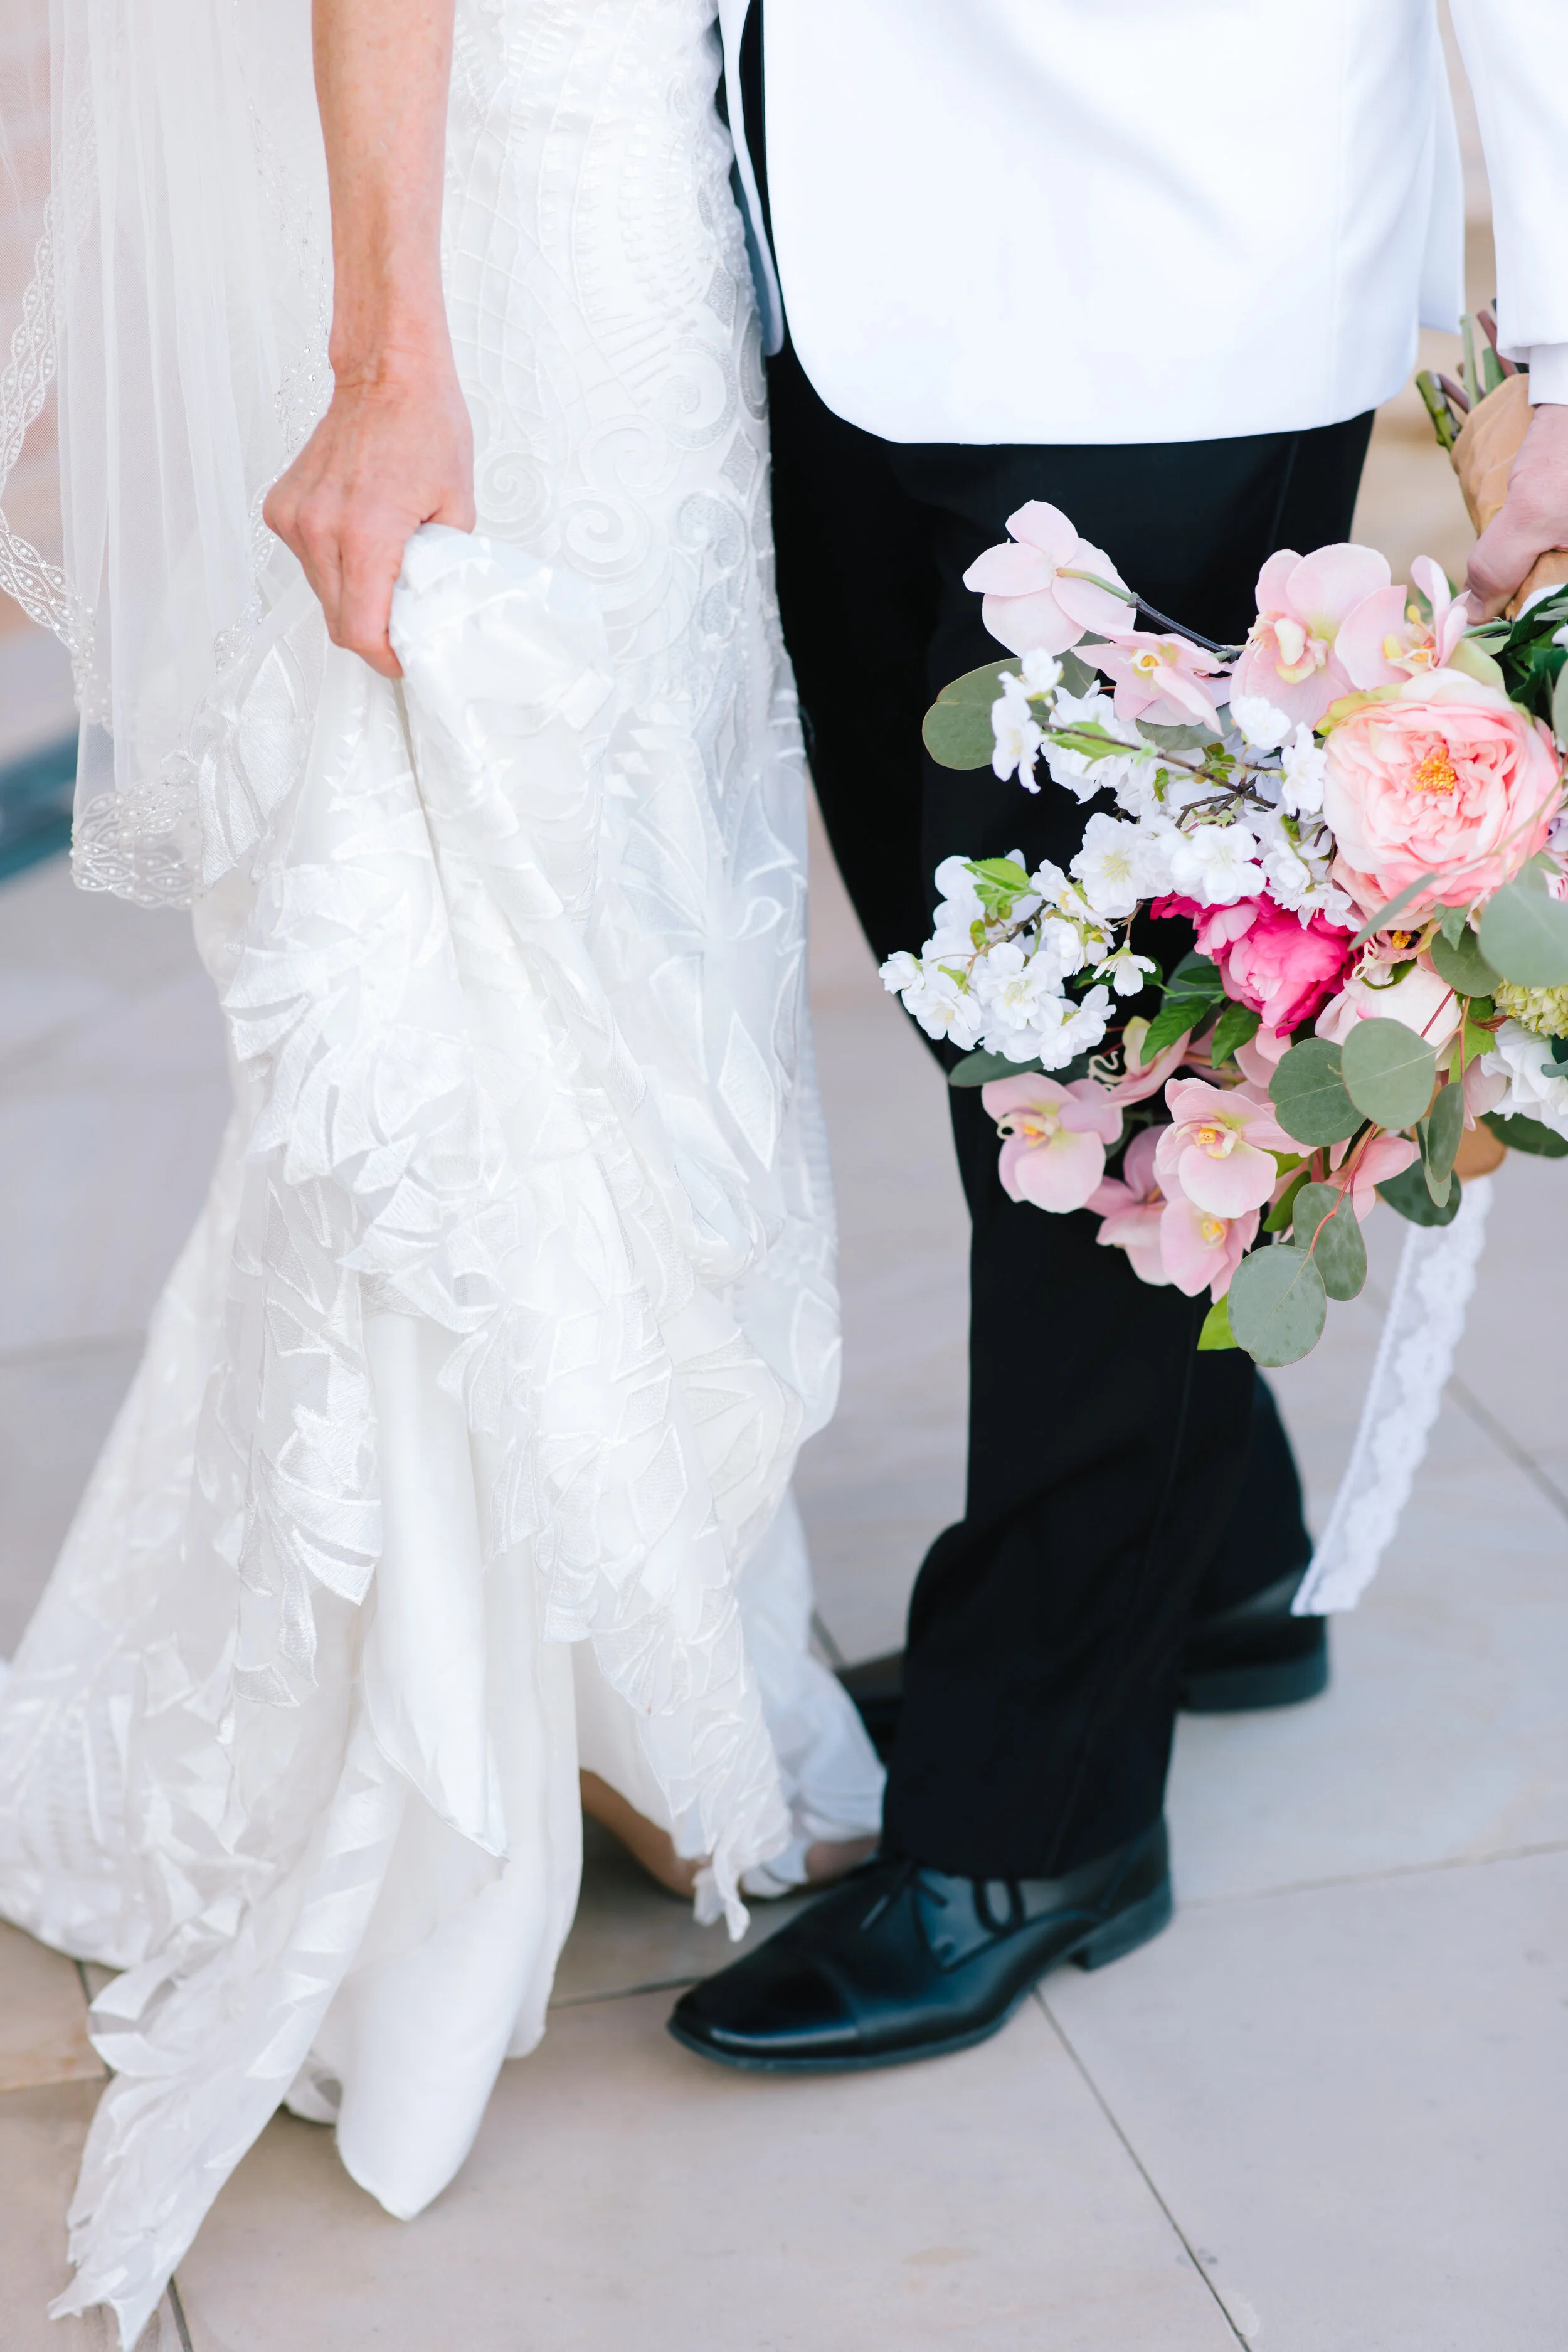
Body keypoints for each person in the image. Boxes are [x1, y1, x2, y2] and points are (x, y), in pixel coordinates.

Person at [0, 0, 881, 2338]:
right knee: (514, 950)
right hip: (515, 219)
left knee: (621, 931)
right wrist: (397, 336)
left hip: (616, 183)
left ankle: (620, 1673)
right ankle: (461, 1785)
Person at [669, 0, 1568, 2073]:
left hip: (1182, 277)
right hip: (822, 256)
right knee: (956, 973)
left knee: (1109, 1077)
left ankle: (1036, 1809)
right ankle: (1218, 1542)